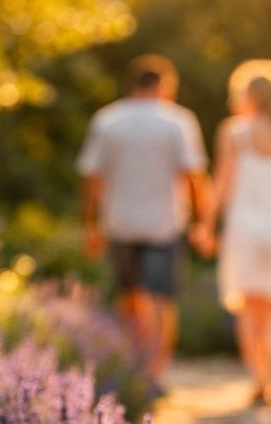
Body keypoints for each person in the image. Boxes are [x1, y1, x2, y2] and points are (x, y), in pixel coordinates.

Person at [77, 54, 209, 380]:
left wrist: (89, 224)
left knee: (130, 298)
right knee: (162, 300)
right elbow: (193, 176)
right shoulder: (178, 121)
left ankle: (136, 365)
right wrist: (203, 223)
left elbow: (93, 178)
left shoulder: (107, 120)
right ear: (163, 86)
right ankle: (156, 371)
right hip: (165, 223)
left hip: (120, 222)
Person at [202, 59, 271, 406]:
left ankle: (260, 380)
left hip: (246, 228)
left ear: (248, 96)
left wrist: (205, 224)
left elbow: (220, 184)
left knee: (250, 309)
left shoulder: (235, 133)